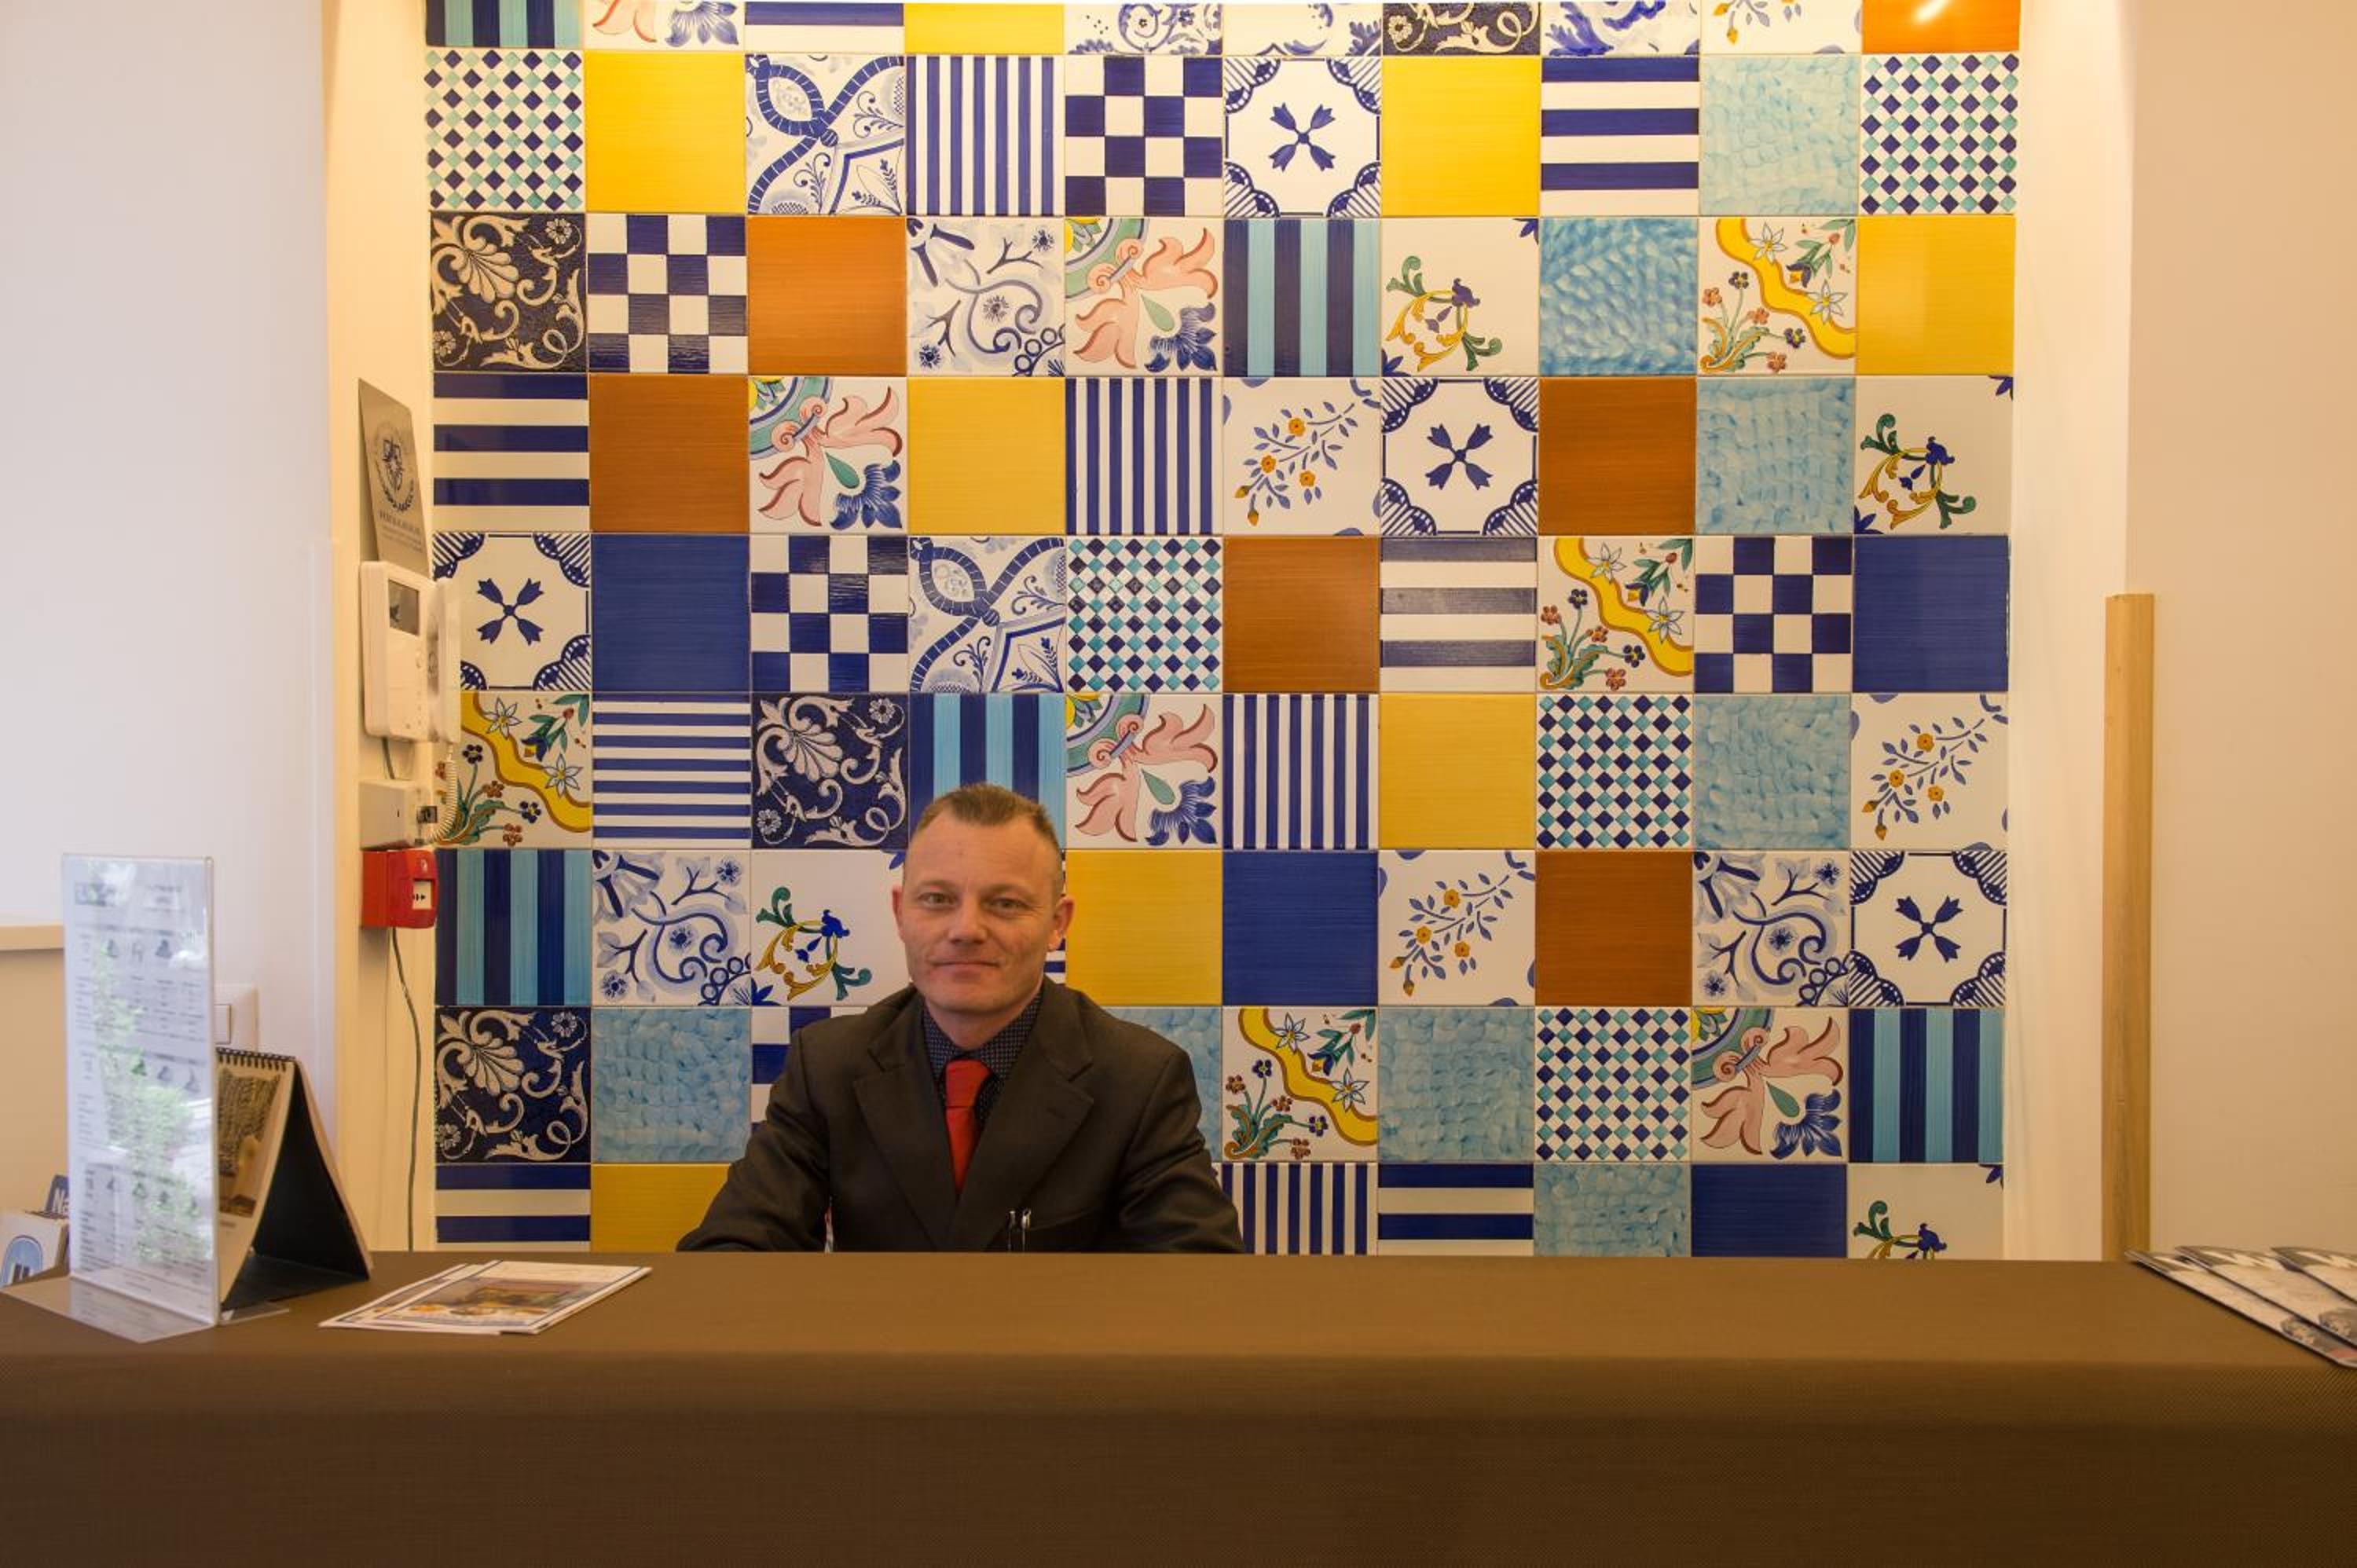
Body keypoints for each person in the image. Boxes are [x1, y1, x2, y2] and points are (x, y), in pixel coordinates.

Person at [681, 782, 1243, 1252]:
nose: (966, 929)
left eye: (1005, 903)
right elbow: (734, 1250)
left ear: (1057, 923)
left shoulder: (1141, 1077)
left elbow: (1199, 1278)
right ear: (901, 913)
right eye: (937, 899)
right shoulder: (826, 1064)